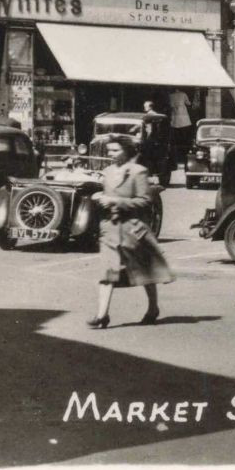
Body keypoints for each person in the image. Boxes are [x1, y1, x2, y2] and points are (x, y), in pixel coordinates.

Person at [87, 135, 172, 328]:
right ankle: (102, 315)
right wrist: (101, 197)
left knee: (145, 273)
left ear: (127, 151)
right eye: (110, 150)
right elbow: (109, 196)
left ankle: (153, 308)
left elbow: (145, 200)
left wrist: (116, 201)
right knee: (107, 272)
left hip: (132, 230)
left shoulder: (138, 172)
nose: (111, 154)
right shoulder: (107, 171)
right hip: (110, 229)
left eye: (116, 150)